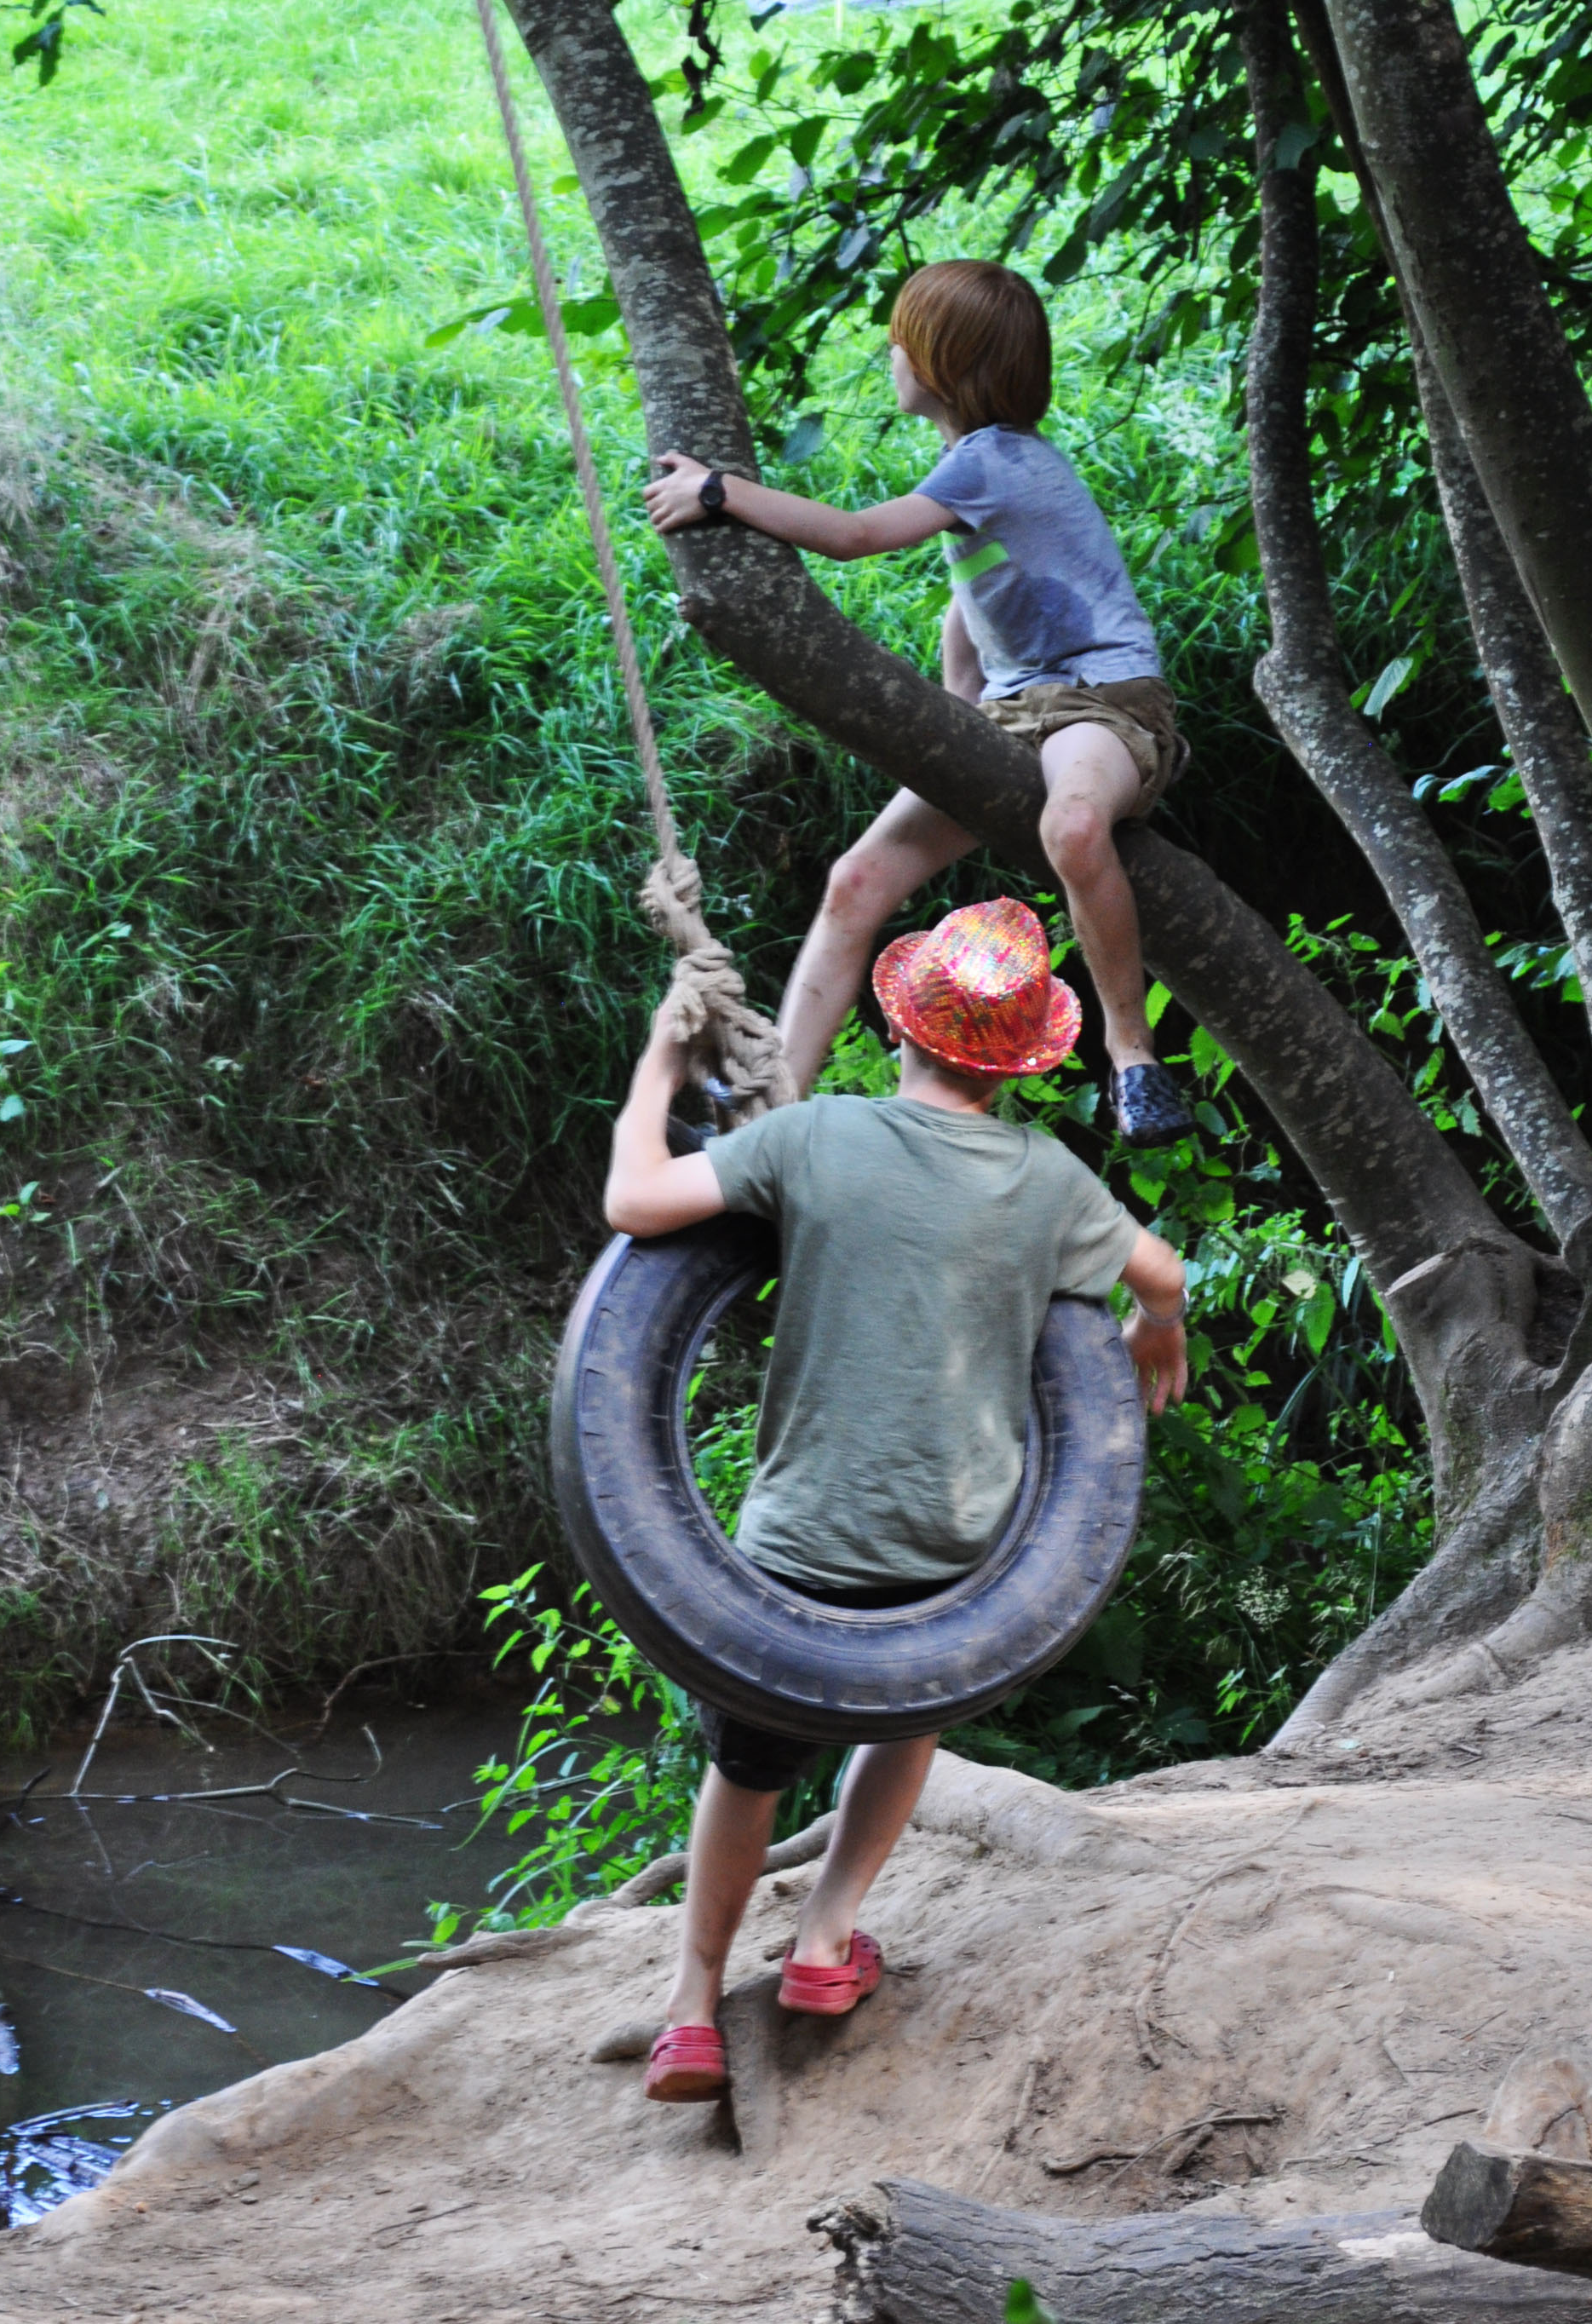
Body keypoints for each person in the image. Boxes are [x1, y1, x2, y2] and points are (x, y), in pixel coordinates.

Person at [601, 898, 1189, 2101]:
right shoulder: (1047, 1178)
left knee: (748, 1770)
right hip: (957, 1552)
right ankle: (824, 1942)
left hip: (794, 1548)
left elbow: (638, 1206)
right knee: (909, 1715)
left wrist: (661, 1062)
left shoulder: (815, 1137)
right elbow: (1163, 1271)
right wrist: (1153, 1333)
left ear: (906, 1029)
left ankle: (692, 2009)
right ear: (1021, 1060)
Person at [641, 257, 1198, 1151]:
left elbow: (858, 538)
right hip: (1016, 712)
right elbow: (971, 608)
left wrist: (719, 492)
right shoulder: (973, 471)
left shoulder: (997, 462)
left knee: (1075, 826)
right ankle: (766, 1108)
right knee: (855, 881)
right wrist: (957, 719)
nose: (890, 352)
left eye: (902, 339)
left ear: (940, 363)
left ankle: (1131, 1058)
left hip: (1103, 699)